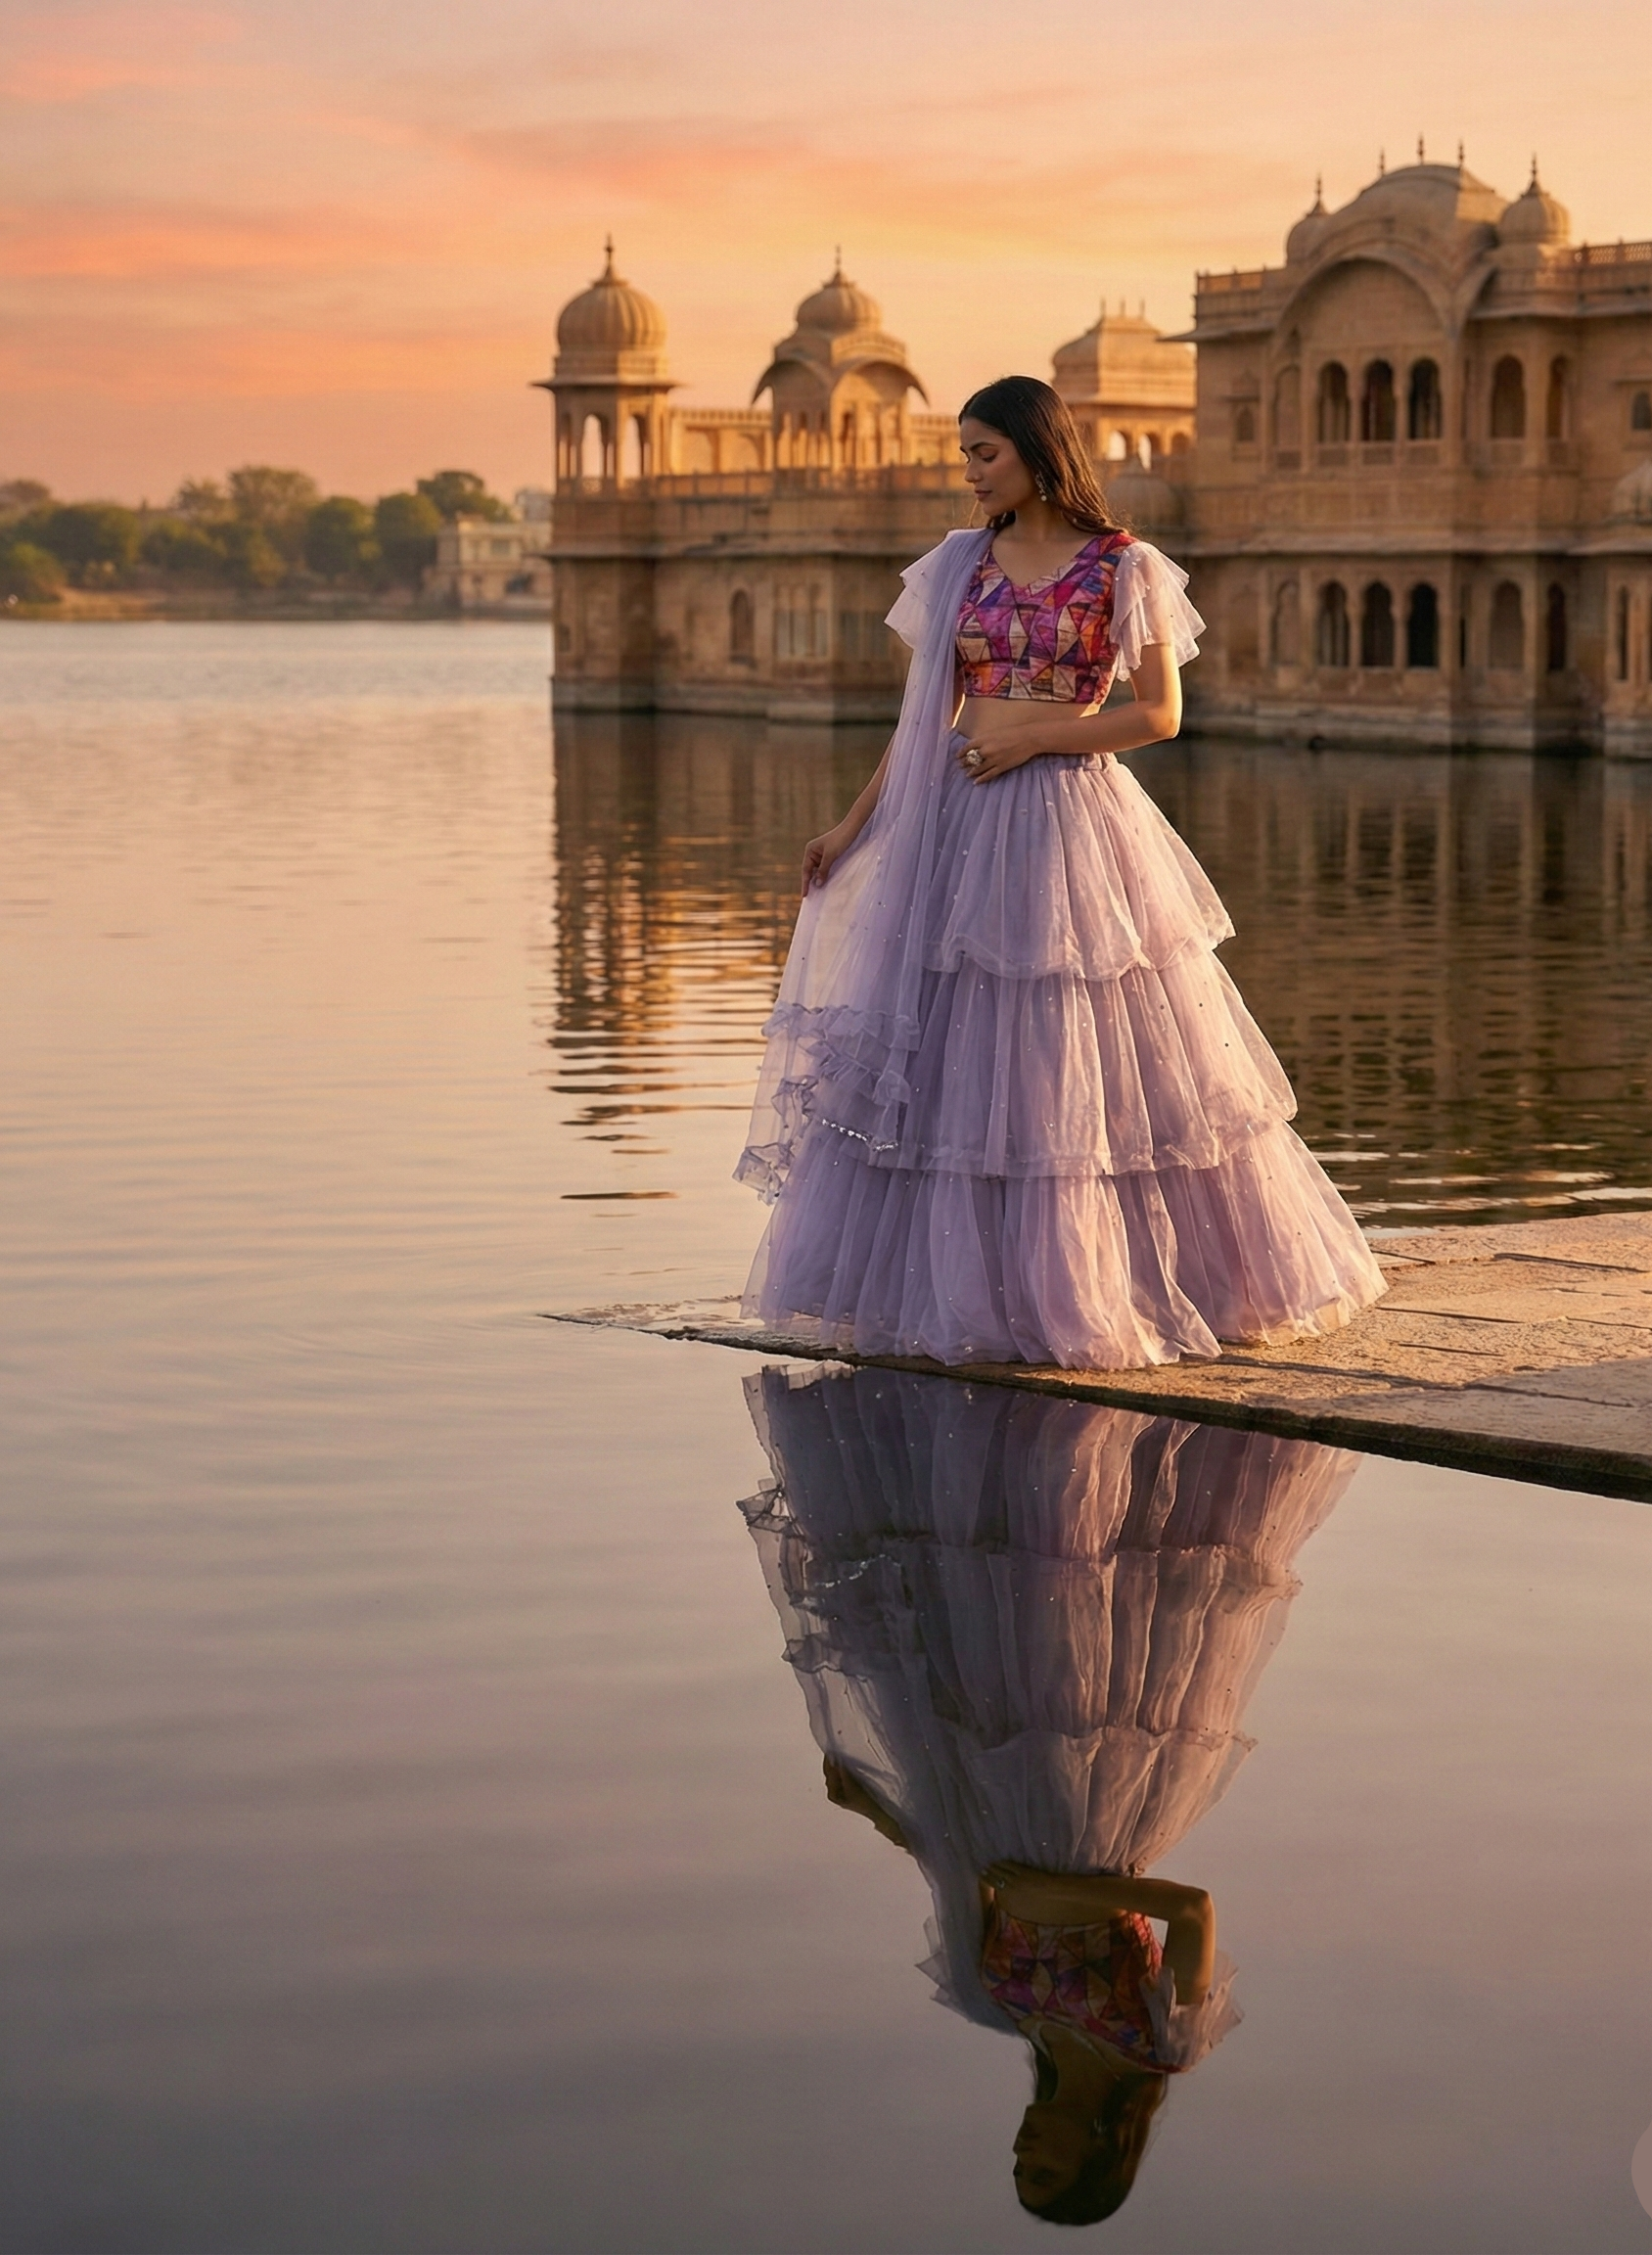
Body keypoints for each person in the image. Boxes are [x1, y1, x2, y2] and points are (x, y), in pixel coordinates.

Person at [736, 375, 1386, 1368]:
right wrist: (851, 826)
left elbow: (1157, 715)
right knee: (953, 1063)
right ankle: (953, 1296)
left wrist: (1035, 741)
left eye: (982, 452)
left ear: (1038, 453)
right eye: (962, 453)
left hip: (1067, 823)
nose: (968, 472)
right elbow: (921, 726)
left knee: (1065, 1053)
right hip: (953, 814)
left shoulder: (1123, 567)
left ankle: (1094, 1291)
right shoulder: (958, 564)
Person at [739, 1363, 1359, 2225]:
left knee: (974, 1606)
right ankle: (1083, 1441)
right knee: (1071, 1620)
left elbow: (956, 1866)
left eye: (1021, 2168)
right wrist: (1064, 1892)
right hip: (1092, 1813)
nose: (1025, 2152)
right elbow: (1189, 1907)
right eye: (1045, 2170)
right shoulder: (1158, 2044)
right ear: (1097, 2155)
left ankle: (987, 1435)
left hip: (992, 1794)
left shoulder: (995, 2007)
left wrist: (877, 1808)